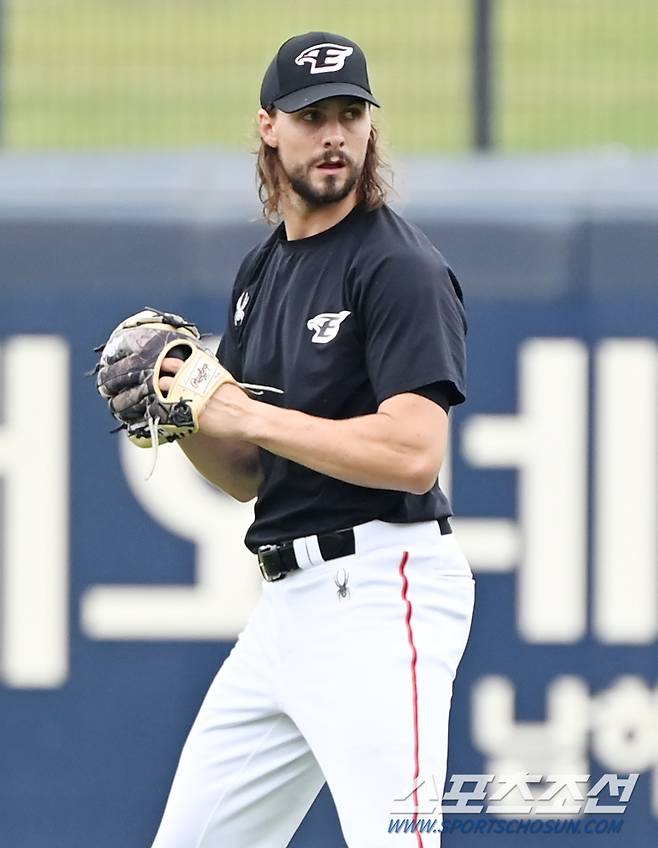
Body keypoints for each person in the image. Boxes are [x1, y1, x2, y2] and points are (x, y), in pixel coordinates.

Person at [151, 31, 474, 848]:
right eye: (312, 116)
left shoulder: (398, 266)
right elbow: (250, 476)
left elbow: (413, 451)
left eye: (350, 115)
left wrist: (241, 408)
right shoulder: (262, 274)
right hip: (286, 607)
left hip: (378, 588)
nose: (334, 135)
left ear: (370, 127)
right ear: (269, 127)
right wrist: (180, 416)